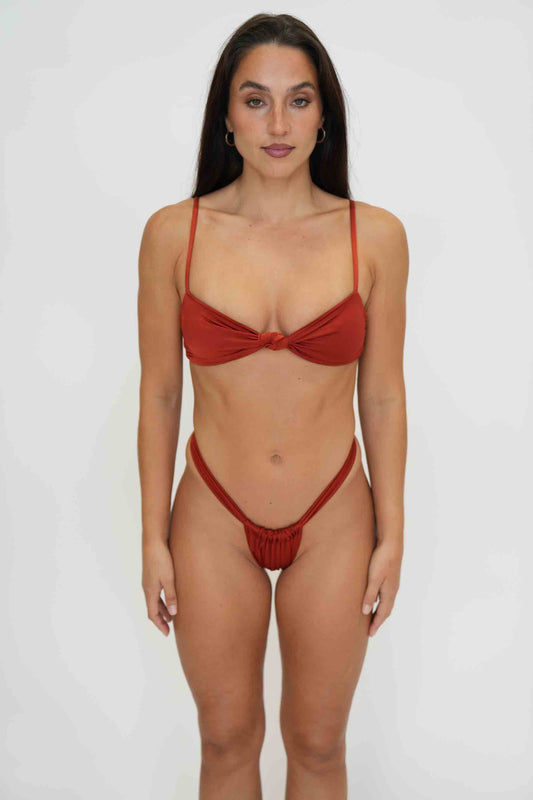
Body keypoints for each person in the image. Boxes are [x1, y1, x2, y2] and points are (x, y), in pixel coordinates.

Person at [137, 12, 408, 799]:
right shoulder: (175, 234)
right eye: (255, 101)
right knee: (225, 740)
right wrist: (152, 537)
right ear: (226, 116)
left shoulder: (374, 236)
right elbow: (160, 391)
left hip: (333, 516)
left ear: (324, 115)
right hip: (212, 516)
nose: (278, 124)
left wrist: (392, 532)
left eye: (299, 100)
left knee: (317, 745)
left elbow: (382, 393)